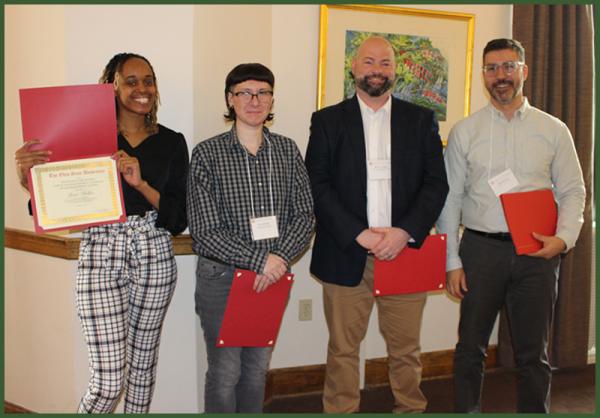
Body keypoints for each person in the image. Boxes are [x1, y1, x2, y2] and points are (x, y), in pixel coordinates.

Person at [14, 53, 189, 413]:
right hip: (101, 251)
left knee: (142, 370)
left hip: (154, 252)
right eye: (131, 80)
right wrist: (28, 180)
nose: (142, 89)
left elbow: (177, 217)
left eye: (148, 80)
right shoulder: (86, 136)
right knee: (109, 382)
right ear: (112, 85)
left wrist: (140, 184)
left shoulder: (172, 142)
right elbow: (56, 208)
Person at [436, 38, 586, 413]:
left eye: (507, 66)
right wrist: (451, 260)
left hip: (536, 252)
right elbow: (450, 199)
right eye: (491, 68)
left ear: (524, 71)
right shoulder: (465, 131)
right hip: (480, 251)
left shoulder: (554, 130)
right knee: (470, 348)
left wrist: (563, 240)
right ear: (483, 75)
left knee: (534, 354)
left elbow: (573, 191)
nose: (499, 76)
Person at [305, 36, 449, 413]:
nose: (376, 70)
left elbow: (437, 184)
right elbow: (316, 186)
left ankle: (410, 409)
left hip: (404, 251)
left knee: (406, 349)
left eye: (385, 63)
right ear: (354, 68)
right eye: (369, 62)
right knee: (343, 350)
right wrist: (360, 233)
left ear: (395, 71)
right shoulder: (327, 121)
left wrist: (403, 232)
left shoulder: (420, 120)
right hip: (346, 250)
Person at [187, 63, 314, 413]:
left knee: (258, 370)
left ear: (272, 100)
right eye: (245, 92)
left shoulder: (288, 151)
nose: (255, 100)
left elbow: (305, 216)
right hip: (223, 278)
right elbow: (205, 232)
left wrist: (277, 261)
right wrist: (261, 260)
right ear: (230, 99)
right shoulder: (207, 154)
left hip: (272, 277)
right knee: (225, 372)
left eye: (263, 92)